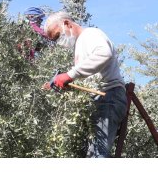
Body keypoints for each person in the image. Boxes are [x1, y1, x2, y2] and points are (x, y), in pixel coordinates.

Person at [42, 11, 128, 158]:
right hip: (99, 100)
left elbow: (104, 54)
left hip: (108, 96)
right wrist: (66, 83)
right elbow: (87, 77)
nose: (58, 41)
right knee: (92, 154)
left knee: (97, 154)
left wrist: (69, 75)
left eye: (57, 36)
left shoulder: (90, 34)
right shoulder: (79, 45)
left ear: (67, 24)